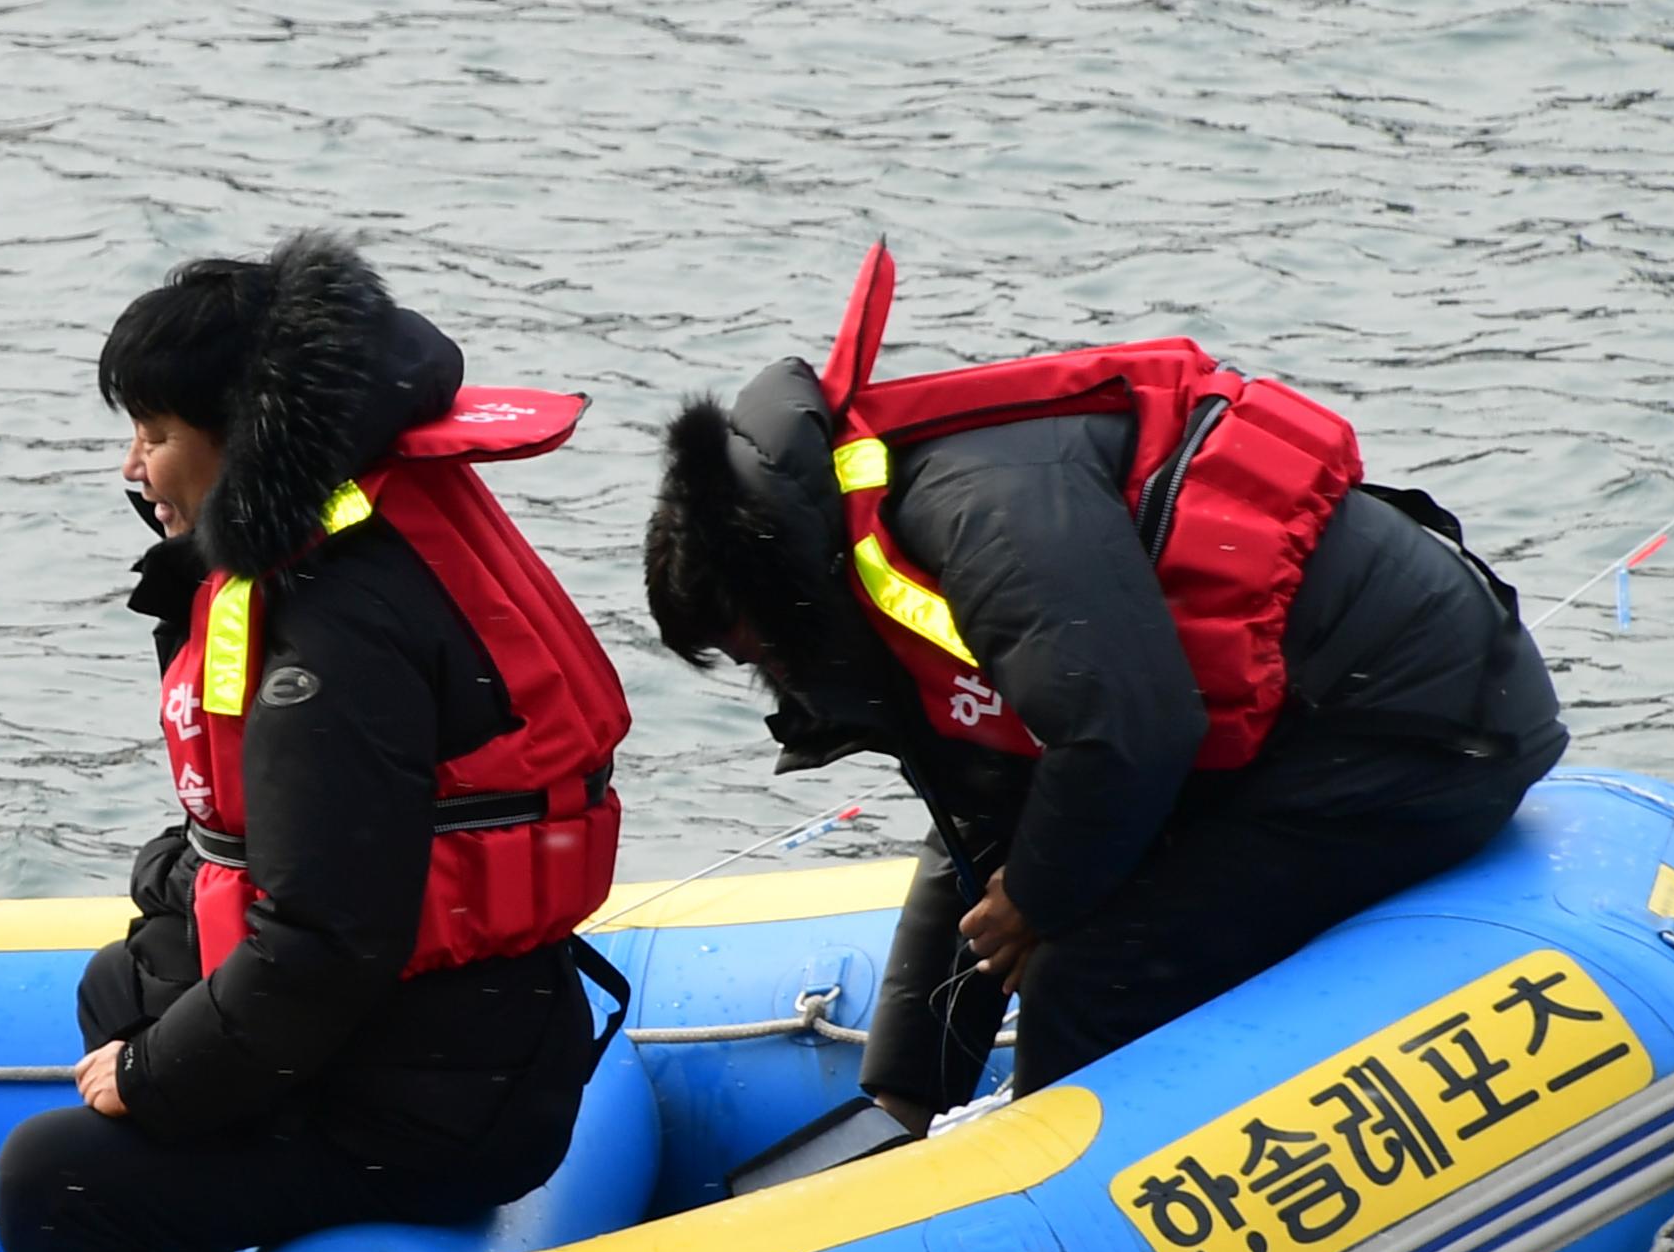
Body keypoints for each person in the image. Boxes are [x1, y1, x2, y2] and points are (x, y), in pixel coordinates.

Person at [643, 242, 1567, 1135]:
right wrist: (903, 1099)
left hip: (1414, 730)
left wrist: (1042, 901)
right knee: (1037, 898)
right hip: (1299, 721)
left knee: (1093, 969)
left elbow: (1128, 730)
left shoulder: (977, 518)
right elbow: (981, 818)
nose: (766, 674)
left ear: (768, 587)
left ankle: (1040, 1237)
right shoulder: (857, 535)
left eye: (746, 647)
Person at [0, 233, 635, 1252]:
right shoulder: (347, 540)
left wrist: (154, 1080)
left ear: (234, 434)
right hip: (466, 1042)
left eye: (153, 434)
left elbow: (326, 941)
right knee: (125, 979)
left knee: (54, 1176)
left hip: (436, 1109)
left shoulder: (335, 633)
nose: (132, 467)